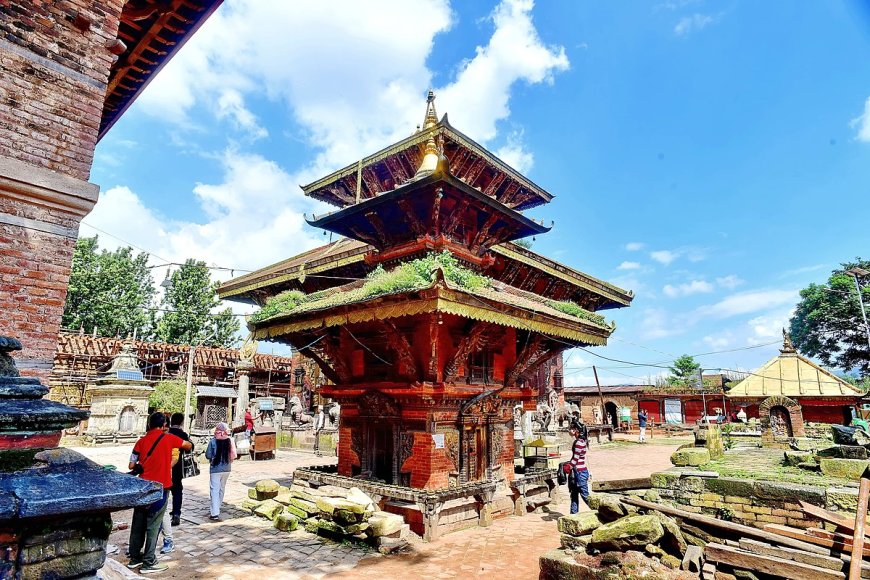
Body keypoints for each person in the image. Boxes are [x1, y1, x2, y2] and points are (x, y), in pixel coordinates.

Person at [127, 412, 192, 574]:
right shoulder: (169, 439)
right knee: (154, 524)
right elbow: (187, 445)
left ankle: (135, 557)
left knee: (138, 523)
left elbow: (131, 465)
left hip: (142, 487)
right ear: (164, 425)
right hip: (160, 487)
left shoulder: (140, 442)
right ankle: (149, 561)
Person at [205, 422, 236, 520]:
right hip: (227, 468)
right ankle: (217, 507)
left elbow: (208, 455)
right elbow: (234, 455)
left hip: (215, 469)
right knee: (222, 488)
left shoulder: (213, 441)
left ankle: (214, 513)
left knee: (214, 490)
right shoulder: (230, 441)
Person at [563, 420, 590, 514]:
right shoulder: (582, 441)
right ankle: (573, 516)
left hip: (579, 473)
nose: (570, 430)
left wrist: (567, 466)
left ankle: (601, 512)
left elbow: (575, 460)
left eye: (572, 428)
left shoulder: (579, 442)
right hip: (577, 472)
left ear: (576, 430)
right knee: (574, 495)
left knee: (585, 496)